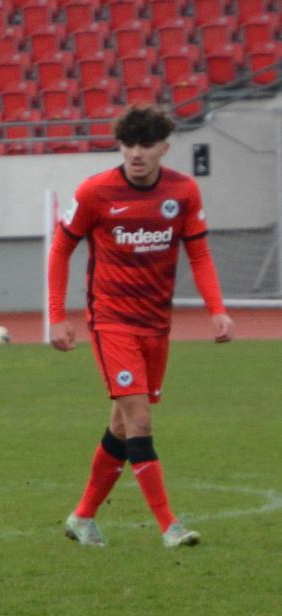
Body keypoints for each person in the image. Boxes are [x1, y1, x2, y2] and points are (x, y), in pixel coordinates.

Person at [48, 104, 234, 549]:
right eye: (128, 144)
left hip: (156, 325)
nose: (136, 153)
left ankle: (82, 517)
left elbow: (199, 254)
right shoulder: (95, 192)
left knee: (121, 425)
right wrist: (56, 316)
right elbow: (60, 250)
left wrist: (217, 308)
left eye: (146, 145)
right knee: (141, 421)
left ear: (163, 148)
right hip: (111, 321)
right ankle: (170, 526)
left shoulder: (183, 192)